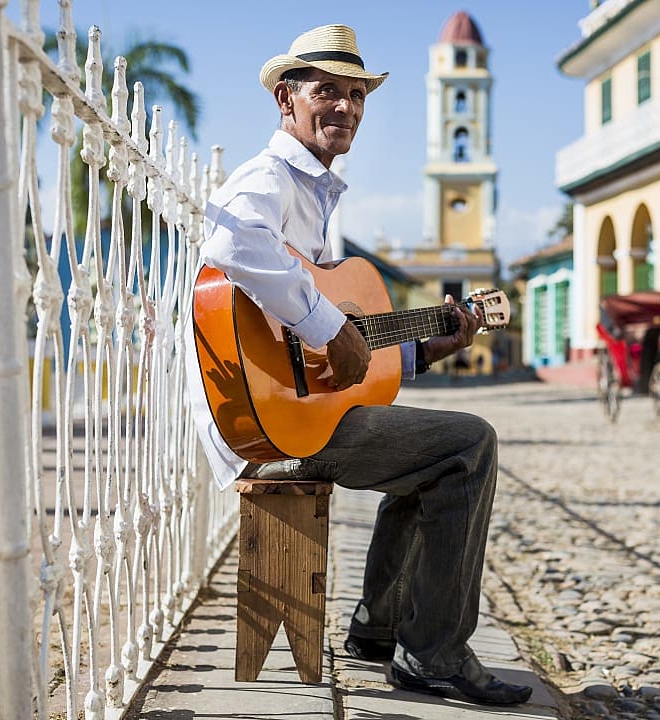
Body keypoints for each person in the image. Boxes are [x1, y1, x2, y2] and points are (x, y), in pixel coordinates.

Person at [183, 24, 532, 706]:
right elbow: (230, 241)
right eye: (325, 92)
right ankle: (433, 653)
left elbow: (345, 351)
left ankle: (380, 624)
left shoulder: (317, 194)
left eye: (355, 94)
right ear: (287, 99)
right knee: (468, 445)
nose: (343, 107)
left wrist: (426, 347)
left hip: (291, 412)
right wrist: (324, 323)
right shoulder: (269, 178)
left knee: (427, 448)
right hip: (261, 422)